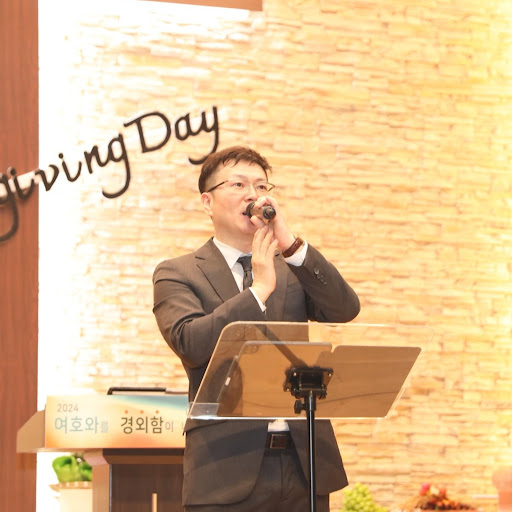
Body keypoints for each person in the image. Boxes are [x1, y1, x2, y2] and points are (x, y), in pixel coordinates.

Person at [152, 146, 360, 512]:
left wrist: (292, 246)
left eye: (261, 186)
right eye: (238, 184)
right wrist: (257, 291)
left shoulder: (289, 267)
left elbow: (344, 309)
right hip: (225, 468)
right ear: (207, 202)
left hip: (304, 464)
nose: (253, 195)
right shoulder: (178, 273)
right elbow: (191, 343)